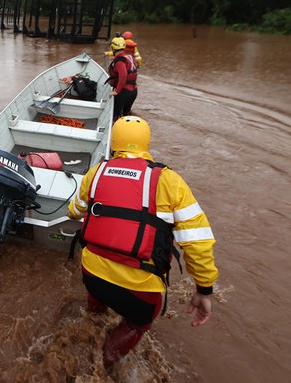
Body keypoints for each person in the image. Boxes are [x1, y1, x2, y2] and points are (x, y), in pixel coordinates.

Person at [67, 116, 218, 370]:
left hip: (92, 275)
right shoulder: (169, 181)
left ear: (113, 142)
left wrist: (75, 209)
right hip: (139, 291)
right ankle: (102, 366)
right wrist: (204, 289)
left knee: (97, 295)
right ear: (147, 143)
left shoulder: (97, 172)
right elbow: (197, 241)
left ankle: (93, 317)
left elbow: (75, 210)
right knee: (137, 323)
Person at [106, 35, 140, 121]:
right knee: (126, 116)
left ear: (113, 48)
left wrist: (117, 91)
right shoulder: (130, 57)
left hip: (123, 92)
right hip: (133, 91)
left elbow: (123, 75)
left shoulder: (120, 61)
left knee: (115, 117)